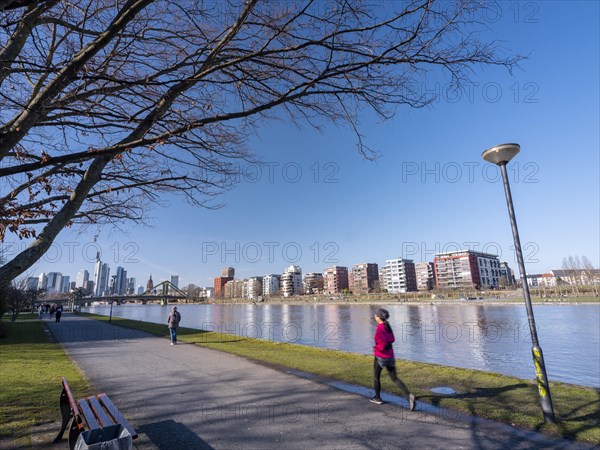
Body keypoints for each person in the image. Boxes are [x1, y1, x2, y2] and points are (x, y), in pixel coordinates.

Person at [370, 308, 416, 411]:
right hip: (390, 356)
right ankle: (409, 396)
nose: (374, 316)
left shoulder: (380, 328)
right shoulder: (387, 326)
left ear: (378, 317)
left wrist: (375, 348)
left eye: (375, 315)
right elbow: (392, 340)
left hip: (380, 357)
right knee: (394, 378)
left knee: (376, 377)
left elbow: (382, 345)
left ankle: (377, 398)